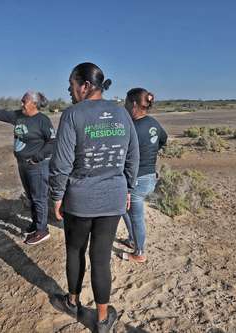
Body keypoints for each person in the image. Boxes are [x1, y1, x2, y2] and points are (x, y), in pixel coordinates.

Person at [49, 63, 139, 332]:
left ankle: (73, 302)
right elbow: (133, 156)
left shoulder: (73, 115)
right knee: (100, 257)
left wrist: (56, 196)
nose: (69, 89)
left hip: (79, 200)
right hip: (112, 199)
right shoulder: (122, 114)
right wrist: (128, 189)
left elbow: (61, 163)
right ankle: (101, 319)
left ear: (85, 86)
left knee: (75, 251)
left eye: (71, 84)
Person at [0, 92, 55, 245]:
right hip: (23, 164)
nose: (21, 103)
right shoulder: (17, 116)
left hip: (36, 166)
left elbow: (52, 142)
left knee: (39, 197)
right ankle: (35, 224)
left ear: (34, 103)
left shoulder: (42, 120)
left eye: (24, 101)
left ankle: (42, 230)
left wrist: (36, 158)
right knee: (31, 196)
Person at [120, 88, 167, 263]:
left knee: (136, 217)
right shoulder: (154, 123)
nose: (124, 107)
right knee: (123, 209)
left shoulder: (131, 128)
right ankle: (133, 240)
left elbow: (123, 156)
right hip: (150, 178)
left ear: (133, 104)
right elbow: (163, 139)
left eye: (125, 103)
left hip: (136, 181)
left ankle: (139, 253)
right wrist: (152, 152)